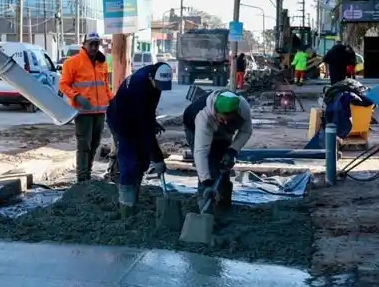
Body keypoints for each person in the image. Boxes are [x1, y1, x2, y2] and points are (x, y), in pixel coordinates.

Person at [106, 62, 173, 211]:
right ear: (151, 78)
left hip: (135, 117)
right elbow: (145, 129)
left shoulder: (155, 76)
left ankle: (134, 196)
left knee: (142, 161)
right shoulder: (138, 87)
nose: (160, 89)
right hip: (120, 121)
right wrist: (158, 158)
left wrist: (152, 121)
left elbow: (148, 111)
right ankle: (126, 207)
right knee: (129, 162)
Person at [183, 90, 253, 212]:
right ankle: (205, 209)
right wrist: (206, 182)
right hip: (193, 126)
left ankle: (223, 205)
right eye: (222, 119)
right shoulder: (203, 116)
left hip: (220, 128)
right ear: (215, 112)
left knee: (223, 165)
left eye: (229, 119)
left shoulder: (243, 108)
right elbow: (201, 152)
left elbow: (246, 131)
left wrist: (232, 151)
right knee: (209, 167)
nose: (225, 122)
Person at [60, 32, 112, 182]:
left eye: (97, 44)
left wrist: (112, 101)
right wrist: (77, 97)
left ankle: (87, 174)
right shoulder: (72, 63)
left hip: (100, 111)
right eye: (91, 44)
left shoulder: (102, 62)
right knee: (84, 146)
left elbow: (105, 86)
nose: (94, 47)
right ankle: (82, 178)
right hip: (83, 112)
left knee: (95, 145)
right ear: (84, 45)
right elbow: (63, 84)